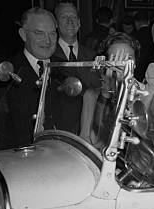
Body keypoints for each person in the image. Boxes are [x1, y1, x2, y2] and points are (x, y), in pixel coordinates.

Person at [0, 7, 57, 151]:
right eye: (39, 33)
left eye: (52, 34)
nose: (48, 40)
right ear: (23, 34)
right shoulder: (4, 73)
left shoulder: (65, 69)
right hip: (21, 163)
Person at [50, 2, 100, 137]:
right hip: (58, 130)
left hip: (89, 131)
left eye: (73, 17)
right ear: (55, 23)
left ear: (79, 22)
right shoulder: (48, 56)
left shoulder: (93, 55)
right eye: (64, 17)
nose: (70, 21)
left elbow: (99, 91)